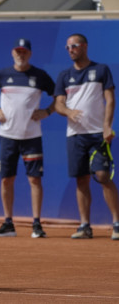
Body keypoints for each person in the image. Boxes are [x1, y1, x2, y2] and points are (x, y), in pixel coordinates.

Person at [0, 38, 55, 238]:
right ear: (13, 53)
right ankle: (8, 224)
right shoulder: (3, 75)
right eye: (18, 51)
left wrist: (47, 111)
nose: (21, 55)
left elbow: (60, 96)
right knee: (6, 179)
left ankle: (37, 224)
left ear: (29, 54)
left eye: (24, 52)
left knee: (34, 179)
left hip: (31, 136)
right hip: (7, 136)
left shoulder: (40, 76)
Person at [54, 33, 119, 240]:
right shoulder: (64, 75)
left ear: (84, 47)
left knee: (102, 176)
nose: (70, 50)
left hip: (97, 134)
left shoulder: (101, 70)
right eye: (67, 47)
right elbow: (58, 104)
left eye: (74, 46)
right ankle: (85, 226)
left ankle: (117, 223)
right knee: (81, 180)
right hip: (75, 135)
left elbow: (110, 100)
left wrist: (107, 126)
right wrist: (68, 112)